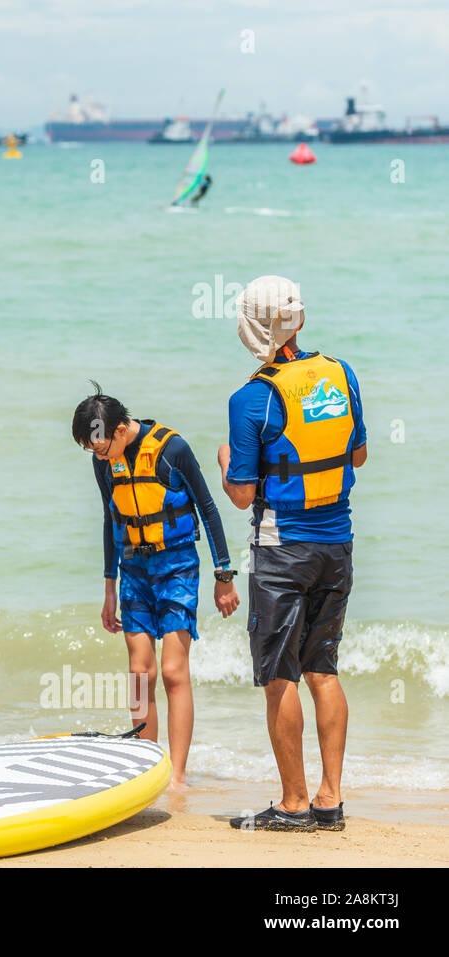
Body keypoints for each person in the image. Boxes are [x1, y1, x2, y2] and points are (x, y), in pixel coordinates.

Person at [218, 276, 366, 833]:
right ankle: (331, 798)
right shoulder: (340, 372)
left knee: (279, 678)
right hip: (338, 543)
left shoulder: (251, 397)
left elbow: (241, 495)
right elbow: (360, 455)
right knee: (322, 670)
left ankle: (294, 803)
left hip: (282, 551)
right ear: (298, 321)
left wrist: (224, 457)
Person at [71, 383, 239, 787]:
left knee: (173, 670)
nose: (97, 454)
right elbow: (110, 519)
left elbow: (208, 507)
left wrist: (224, 575)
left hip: (177, 564)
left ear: (121, 430)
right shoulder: (104, 460)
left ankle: (177, 775)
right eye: (90, 449)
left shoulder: (171, 448)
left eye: (99, 446)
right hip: (132, 568)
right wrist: (108, 586)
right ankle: (146, 769)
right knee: (137, 672)